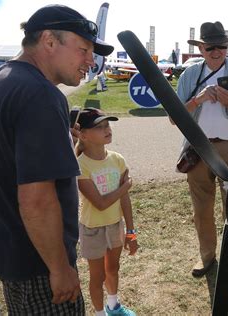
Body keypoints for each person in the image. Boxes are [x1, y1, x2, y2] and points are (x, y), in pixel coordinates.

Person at [0, 4, 113, 315]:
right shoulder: (41, 95)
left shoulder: (4, 81)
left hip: (12, 254)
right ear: (49, 41)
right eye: (84, 49)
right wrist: (59, 268)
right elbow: (36, 200)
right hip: (42, 266)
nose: (91, 60)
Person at [175, 21, 228, 291]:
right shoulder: (189, 75)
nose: (216, 51)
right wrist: (197, 100)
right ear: (200, 48)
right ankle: (207, 258)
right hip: (198, 149)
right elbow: (174, 118)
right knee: (201, 211)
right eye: (210, 46)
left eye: (221, 46)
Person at [75, 108, 138, 316]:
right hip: (92, 229)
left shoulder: (117, 159)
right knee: (97, 276)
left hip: (115, 225)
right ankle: (100, 313)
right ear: (83, 135)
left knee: (113, 269)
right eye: (99, 127)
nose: (107, 130)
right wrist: (124, 187)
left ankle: (113, 305)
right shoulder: (81, 165)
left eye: (107, 125)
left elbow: (124, 200)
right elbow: (100, 203)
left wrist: (131, 230)